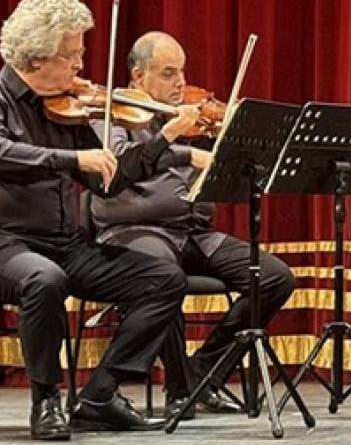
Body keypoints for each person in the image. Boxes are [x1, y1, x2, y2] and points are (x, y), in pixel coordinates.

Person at [0, 0, 206, 440]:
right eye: (71, 57)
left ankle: (99, 395)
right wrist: (71, 160)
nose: (81, 68)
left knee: (164, 280)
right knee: (43, 280)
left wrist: (164, 138)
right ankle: (46, 399)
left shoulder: (67, 110)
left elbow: (111, 178)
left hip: (61, 244)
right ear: (36, 59)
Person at [91, 31, 295, 417]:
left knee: (273, 277)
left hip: (194, 232)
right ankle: (181, 389)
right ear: (138, 76)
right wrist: (182, 147)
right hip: (137, 231)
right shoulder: (109, 113)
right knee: (162, 275)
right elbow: (117, 163)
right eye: (168, 73)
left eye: (181, 72)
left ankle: (204, 373)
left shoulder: (190, 113)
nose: (181, 83)